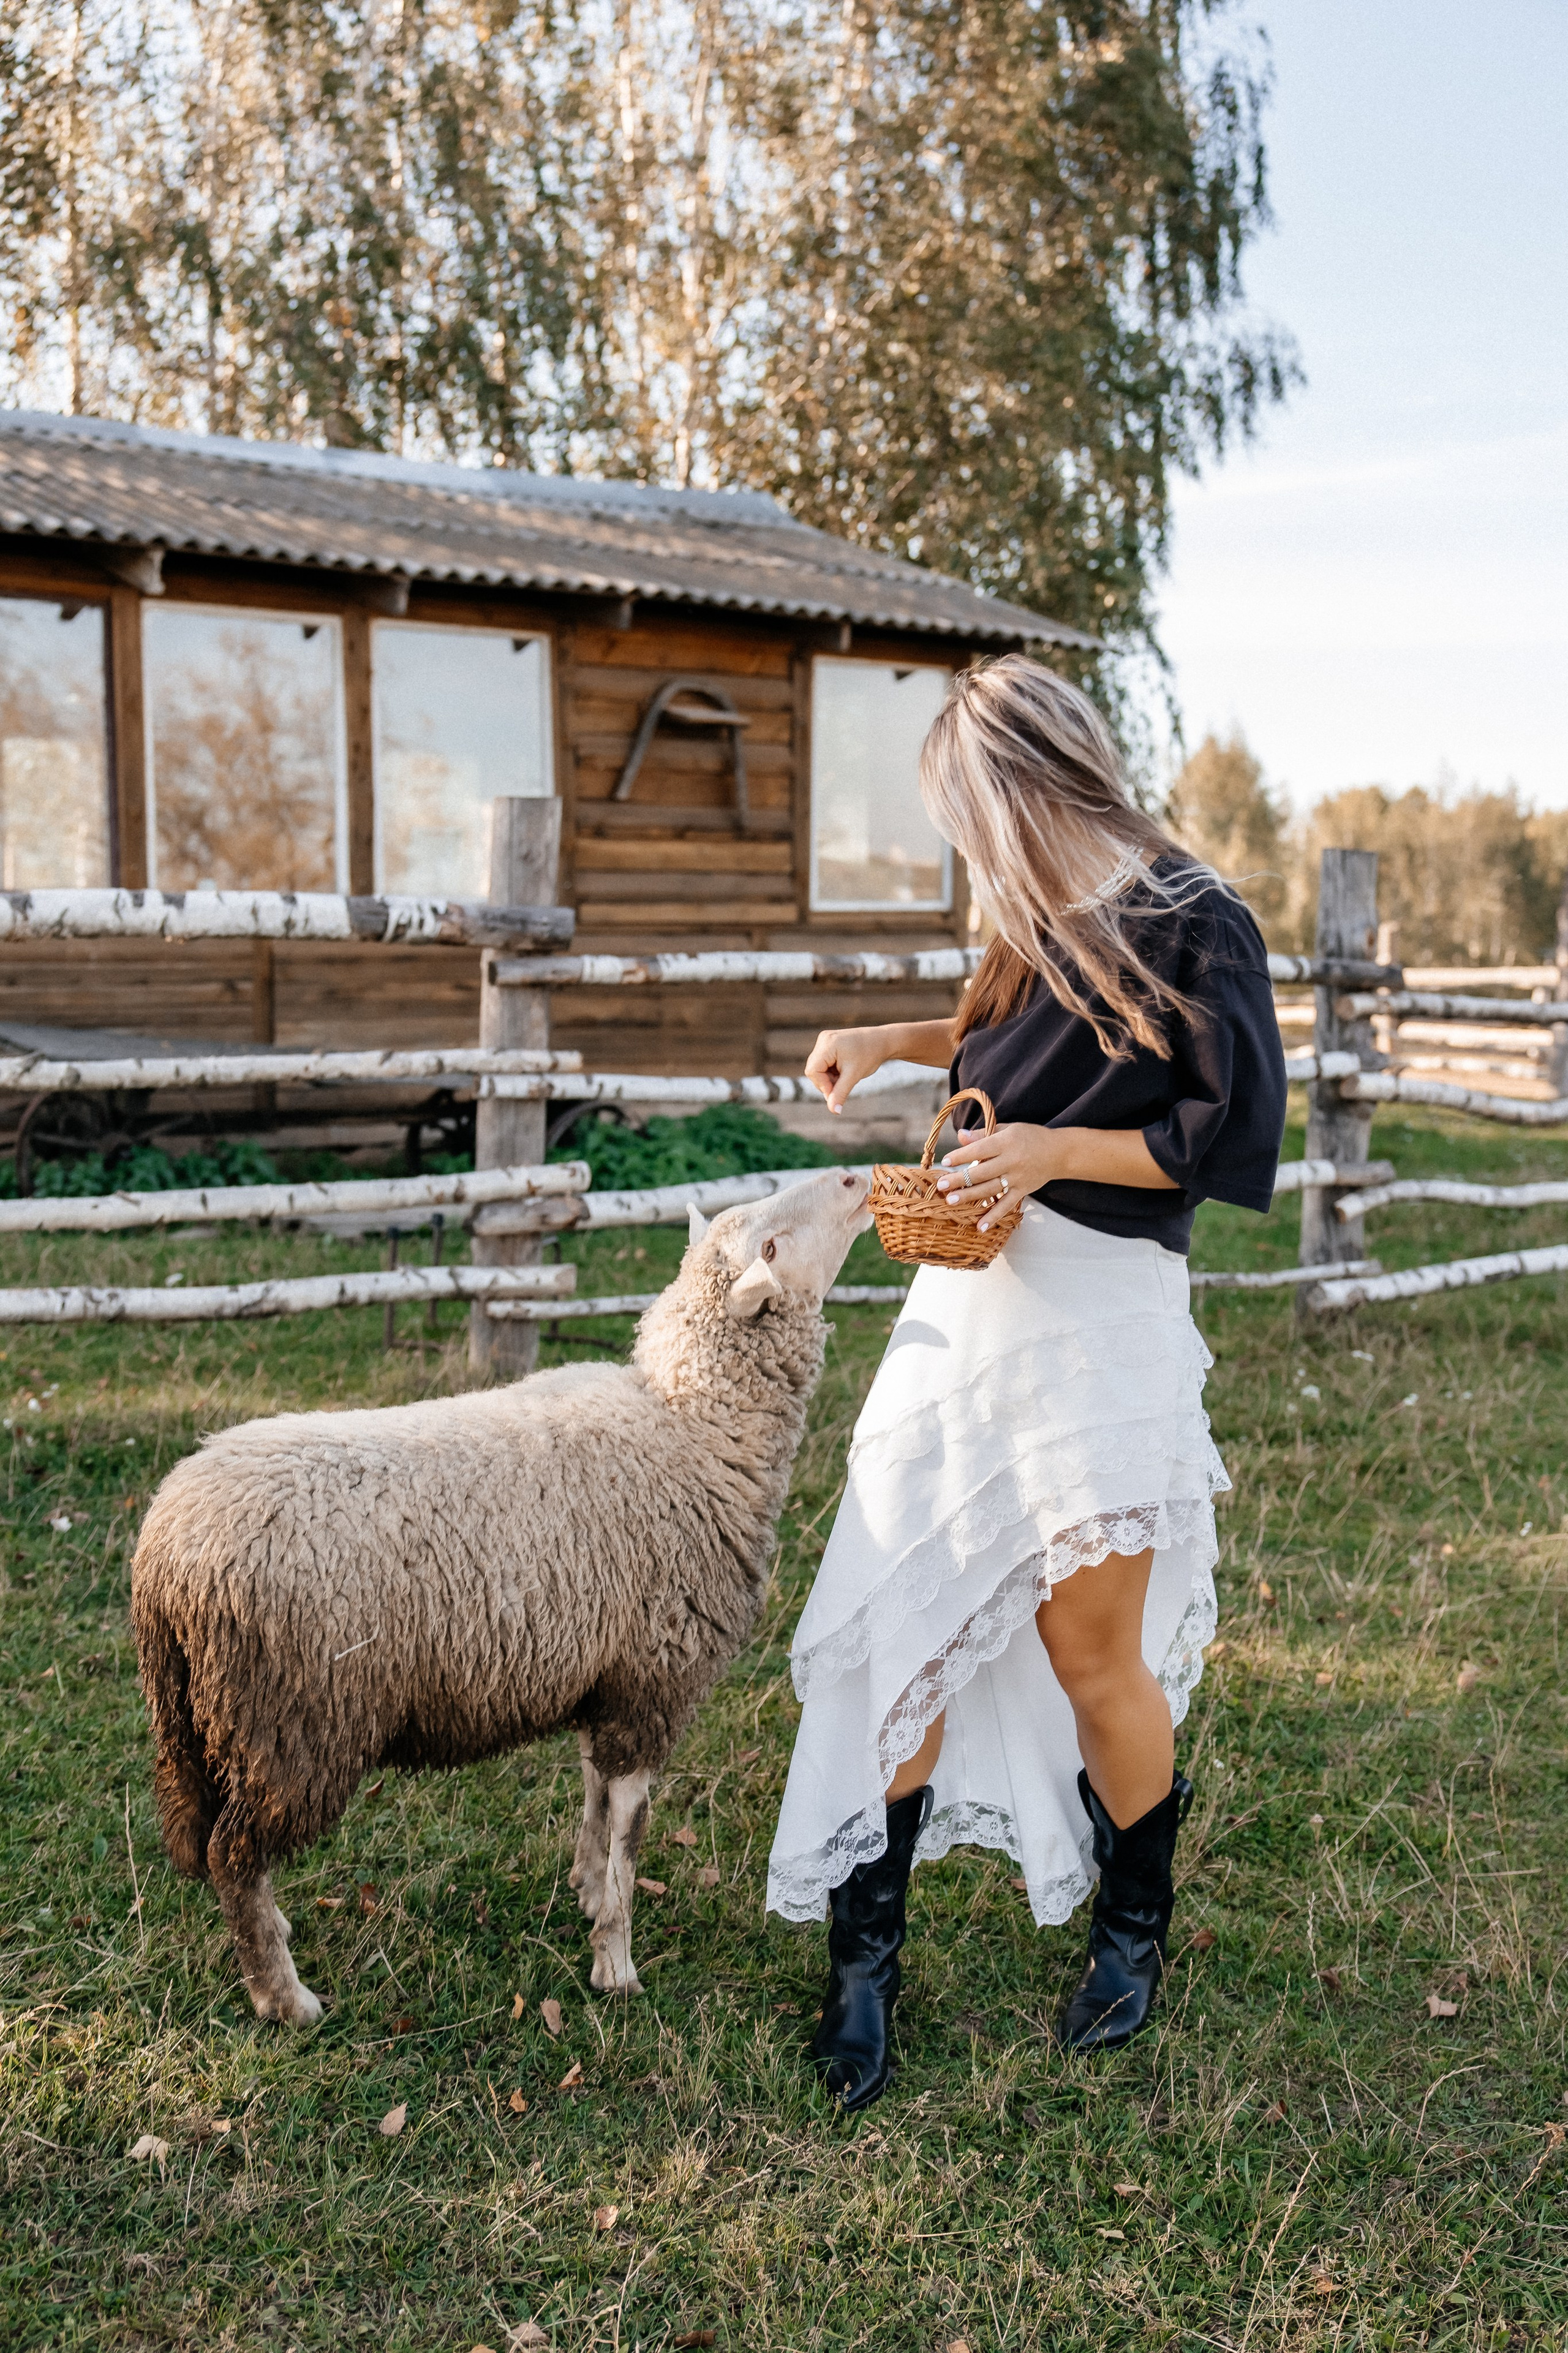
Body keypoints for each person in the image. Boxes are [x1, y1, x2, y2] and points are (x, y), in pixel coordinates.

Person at [766, 654, 1287, 2110]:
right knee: (900, 1606)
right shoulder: (1028, 904)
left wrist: (1053, 1151)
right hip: (967, 1298)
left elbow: (1219, 1142)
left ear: (1033, 786)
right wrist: (890, 1039)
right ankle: (863, 1966)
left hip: (1103, 1314)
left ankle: (1133, 1931)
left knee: (1087, 1653)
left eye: (973, 819)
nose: (969, 856)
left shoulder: (1199, 920)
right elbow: (1006, 1043)